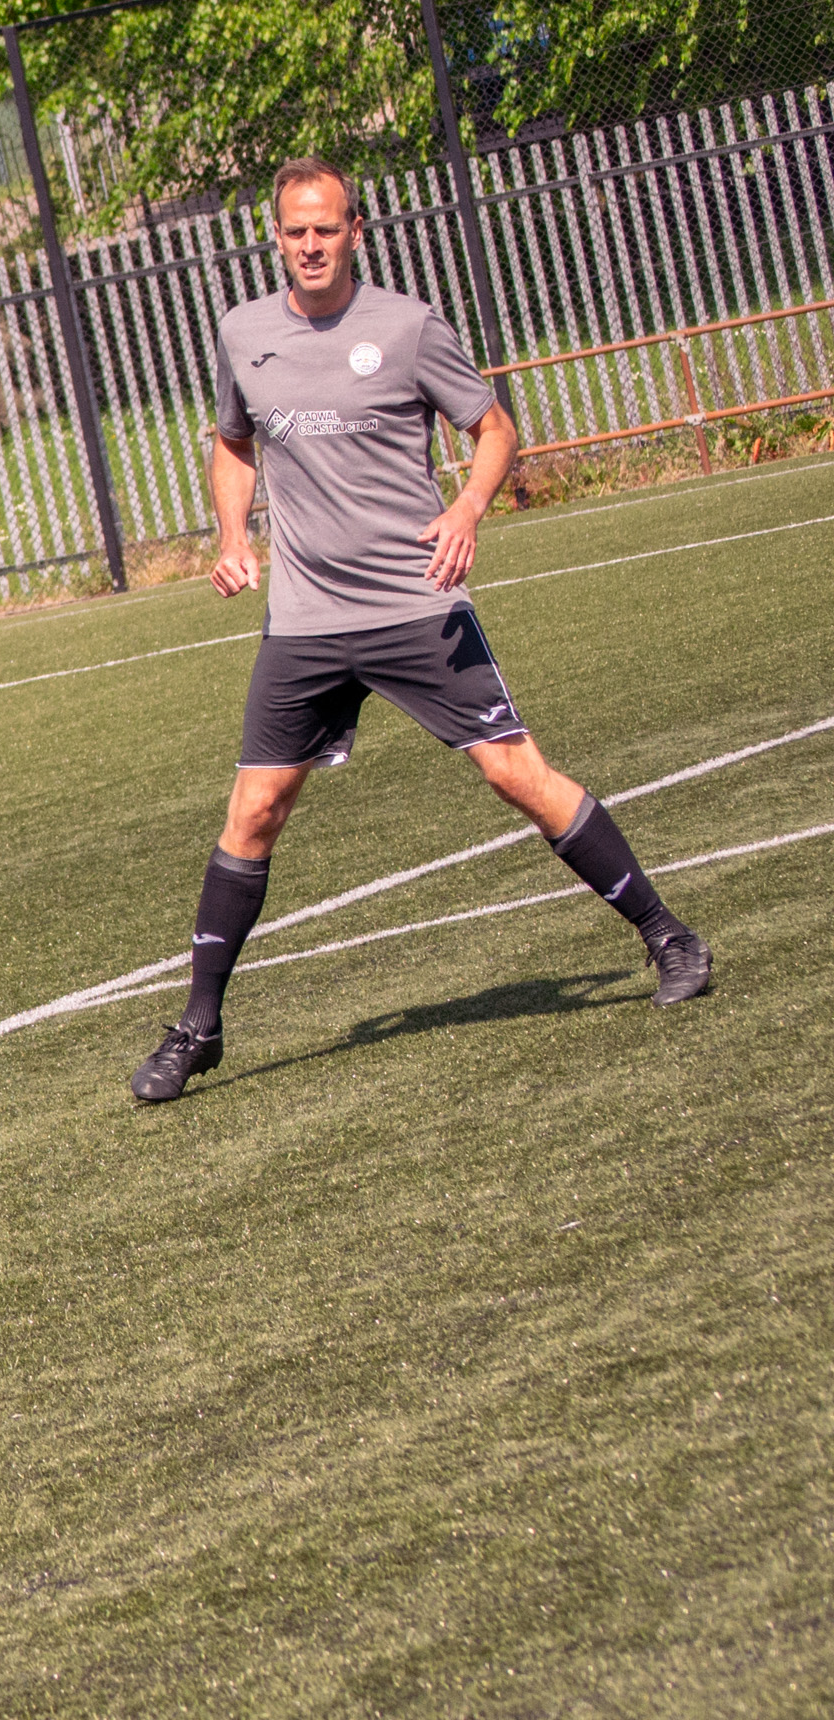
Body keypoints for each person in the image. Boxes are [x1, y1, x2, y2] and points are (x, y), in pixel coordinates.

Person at [133, 158, 712, 1104]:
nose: (311, 245)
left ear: (355, 231)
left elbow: (494, 428)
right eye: (295, 231)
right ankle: (198, 1027)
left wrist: (468, 510)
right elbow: (233, 442)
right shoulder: (243, 333)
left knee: (514, 774)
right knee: (254, 811)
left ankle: (669, 936)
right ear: (275, 237)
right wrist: (234, 535)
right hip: (306, 622)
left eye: (327, 228)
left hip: (415, 605)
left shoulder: (407, 327)